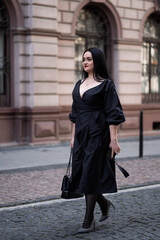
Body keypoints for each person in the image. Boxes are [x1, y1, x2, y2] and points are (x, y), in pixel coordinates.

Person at [69, 48, 125, 233]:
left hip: (98, 134)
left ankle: (88, 221)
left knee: (91, 173)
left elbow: (113, 113)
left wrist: (113, 140)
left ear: (97, 61)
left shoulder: (106, 84)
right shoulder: (79, 84)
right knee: (83, 173)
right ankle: (104, 203)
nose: (85, 62)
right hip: (81, 136)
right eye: (83, 59)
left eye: (89, 59)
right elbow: (75, 114)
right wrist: (72, 137)